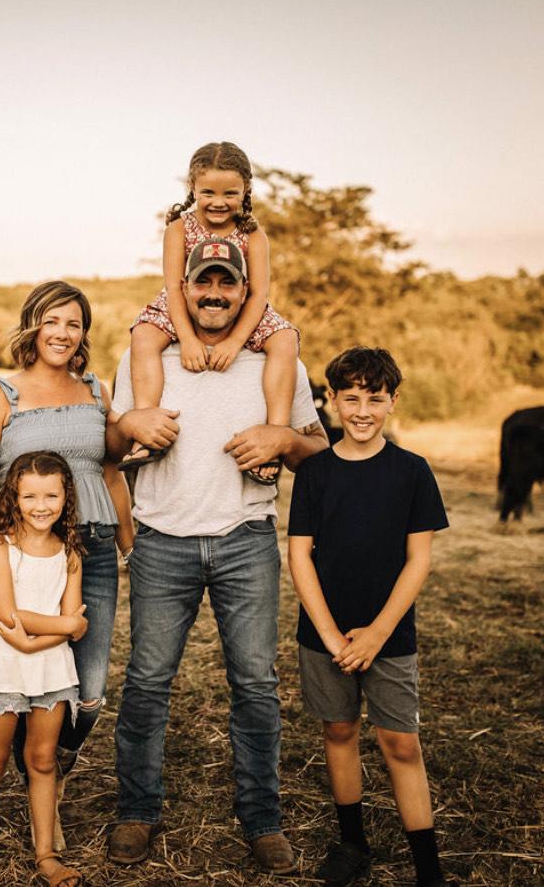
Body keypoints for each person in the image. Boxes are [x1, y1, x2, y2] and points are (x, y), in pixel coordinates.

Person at [107, 237, 329, 873]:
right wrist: (130, 427)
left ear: (243, 290)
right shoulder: (150, 352)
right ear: (185, 286)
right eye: (202, 283)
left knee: (256, 685)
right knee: (148, 683)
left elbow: (317, 448)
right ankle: (136, 812)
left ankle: (262, 821)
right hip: (162, 540)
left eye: (225, 284)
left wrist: (280, 434)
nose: (212, 294)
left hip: (245, 539)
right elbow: (111, 441)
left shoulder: (271, 355)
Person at [0, 281, 134, 850]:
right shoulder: (0, 393)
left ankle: (47, 774)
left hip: (92, 547)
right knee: (23, 676)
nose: (63, 333)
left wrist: (130, 541)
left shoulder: (94, 389)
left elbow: (110, 472)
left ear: (84, 333)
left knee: (88, 692)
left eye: (75, 324)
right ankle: (40, 786)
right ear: (32, 325)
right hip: (22, 551)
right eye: (53, 321)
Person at [287, 347, 452, 887]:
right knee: (339, 730)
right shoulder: (315, 472)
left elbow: (418, 559)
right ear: (331, 400)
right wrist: (333, 635)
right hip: (325, 635)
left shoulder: (411, 472)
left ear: (393, 402)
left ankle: (427, 867)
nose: (362, 410)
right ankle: (352, 843)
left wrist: (378, 633)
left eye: (374, 399)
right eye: (350, 397)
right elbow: (299, 555)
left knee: (400, 741)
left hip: (390, 635)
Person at [120, 141, 299, 485]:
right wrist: (186, 338)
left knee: (286, 339)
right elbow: (174, 287)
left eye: (230, 193)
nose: (219, 202)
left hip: (244, 303)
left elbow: (259, 292)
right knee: (142, 334)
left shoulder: (253, 234)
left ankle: (275, 432)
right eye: (208, 192)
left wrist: (234, 342)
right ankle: (147, 427)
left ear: (246, 190)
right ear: (192, 189)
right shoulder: (179, 228)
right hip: (183, 301)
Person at [0, 452, 87, 887]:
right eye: (30, 496)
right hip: (5, 668)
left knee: (42, 760)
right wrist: (68, 625)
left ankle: (46, 854)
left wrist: (57, 632)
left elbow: (60, 626)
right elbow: (9, 619)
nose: (41, 505)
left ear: (66, 497)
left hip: (51, 669)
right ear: (14, 496)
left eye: (51, 494)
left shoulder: (69, 552)